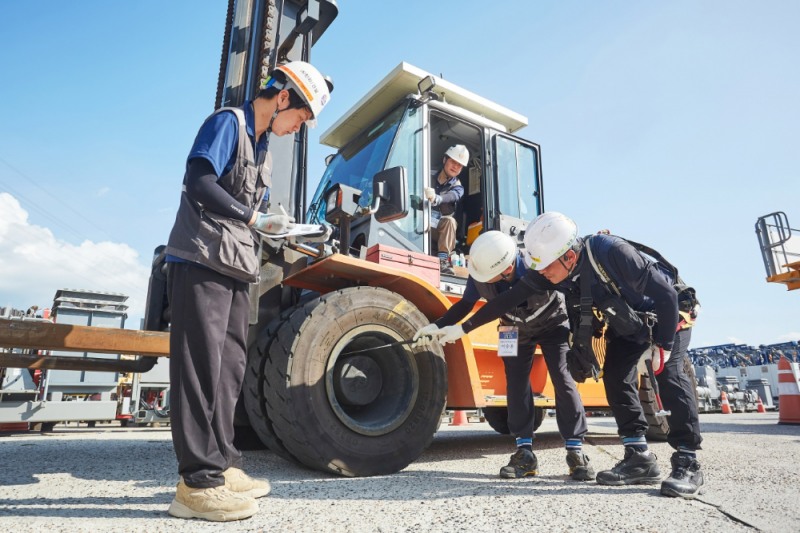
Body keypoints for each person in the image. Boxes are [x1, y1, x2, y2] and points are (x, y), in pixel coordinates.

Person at [164, 61, 331, 521]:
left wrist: (274, 226)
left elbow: (248, 213)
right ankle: (196, 484)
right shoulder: (228, 123)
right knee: (200, 367)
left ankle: (222, 463)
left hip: (236, 267)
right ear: (282, 98)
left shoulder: (263, 151)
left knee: (230, 367)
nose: (298, 127)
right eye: (300, 118)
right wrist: (253, 217)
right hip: (201, 259)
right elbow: (198, 182)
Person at [444, 212, 703, 499]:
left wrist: (663, 346)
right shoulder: (551, 271)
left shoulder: (611, 252)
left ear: (568, 256)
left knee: (668, 373)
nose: (540, 274)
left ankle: (687, 462)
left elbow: (666, 294)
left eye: (545, 268)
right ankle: (639, 457)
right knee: (616, 377)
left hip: (668, 316)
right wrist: (463, 328)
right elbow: (509, 298)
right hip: (628, 323)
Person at [413, 231, 594, 481]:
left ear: (509, 266)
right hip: (512, 328)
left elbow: (503, 302)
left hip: (552, 322)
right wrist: (438, 325)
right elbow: (466, 304)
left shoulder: (534, 264)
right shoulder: (482, 270)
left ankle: (575, 451)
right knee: (516, 384)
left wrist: (463, 329)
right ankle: (524, 454)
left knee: (563, 380)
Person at [427, 144, 468, 275]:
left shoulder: (458, 187)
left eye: (459, 165)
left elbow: (453, 196)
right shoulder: (427, 175)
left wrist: (437, 198)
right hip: (420, 224)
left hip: (438, 229)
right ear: (445, 160)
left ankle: (443, 261)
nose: (455, 167)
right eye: (453, 162)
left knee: (450, 221)